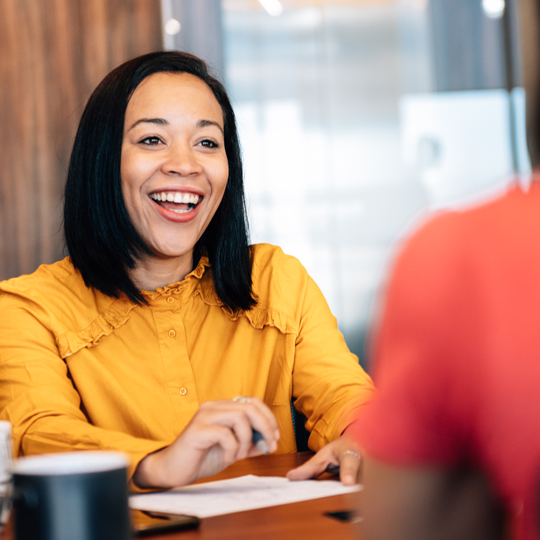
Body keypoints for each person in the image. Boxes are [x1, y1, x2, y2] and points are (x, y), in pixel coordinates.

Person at [0, 51, 375, 489]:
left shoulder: (276, 279)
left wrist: (363, 439)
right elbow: (39, 433)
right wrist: (158, 462)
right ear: (102, 161)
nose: (186, 164)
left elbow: (344, 393)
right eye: (152, 140)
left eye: (207, 143)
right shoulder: (25, 309)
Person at [355, 1, 540, 538]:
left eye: (208, 140)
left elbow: (337, 387)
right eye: (152, 138)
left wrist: (357, 427)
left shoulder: (464, 257)